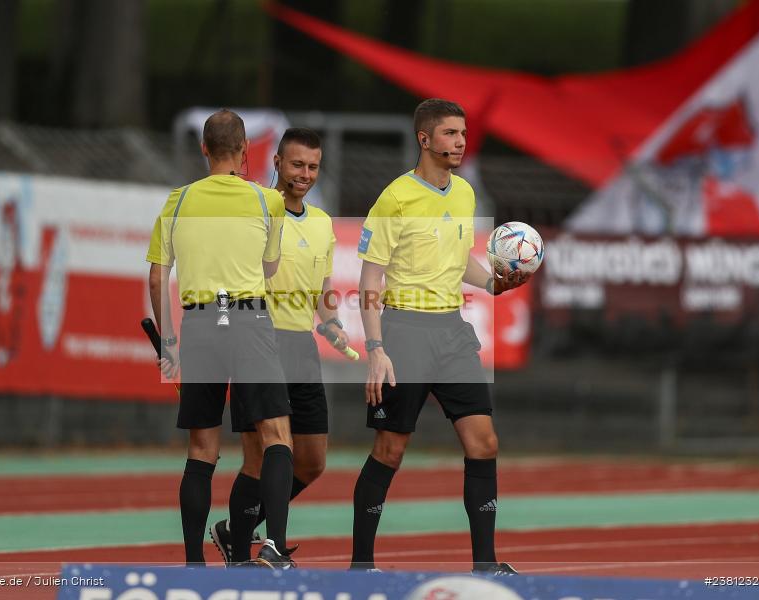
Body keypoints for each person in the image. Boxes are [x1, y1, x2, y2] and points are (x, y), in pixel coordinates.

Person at [351, 98, 528, 574]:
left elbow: (460, 258)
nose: (461, 141)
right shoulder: (395, 198)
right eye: (451, 133)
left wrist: (492, 283)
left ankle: (485, 565)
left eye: (463, 133)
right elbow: (370, 279)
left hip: (452, 331)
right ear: (424, 139)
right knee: (390, 449)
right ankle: (361, 567)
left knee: (484, 442)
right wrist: (376, 349)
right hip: (403, 331)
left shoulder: (465, 193)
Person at [145, 109, 296, 569]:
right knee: (276, 437)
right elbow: (270, 267)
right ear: (245, 149)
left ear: (204, 148)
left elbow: (157, 278)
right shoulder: (267, 201)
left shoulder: (178, 201)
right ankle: (273, 547)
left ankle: (194, 564)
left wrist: (169, 342)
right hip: (247, 319)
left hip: (200, 323)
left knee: (201, 449)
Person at [209, 128, 349, 566]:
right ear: (277, 163)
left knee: (312, 461)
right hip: (258, 340)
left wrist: (332, 323)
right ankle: (259, 551)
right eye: (297, 165)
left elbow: (323, 287)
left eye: (313, 166)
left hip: (302, 347)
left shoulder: (322, 223)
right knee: (264, 455)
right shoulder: (257, 212)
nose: (305, 174)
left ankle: (235, 531)